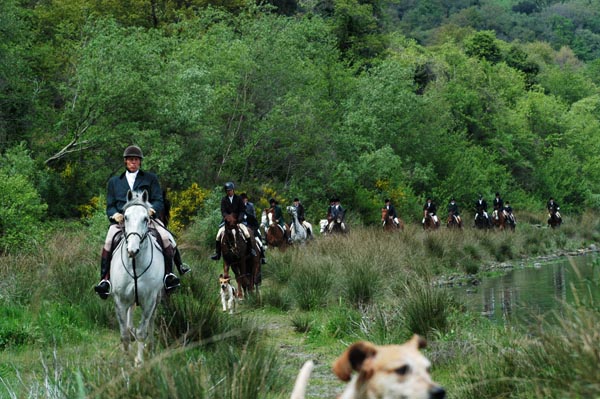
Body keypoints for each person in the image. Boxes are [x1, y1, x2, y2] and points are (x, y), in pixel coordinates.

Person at [94, 145, 188, 299]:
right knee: (109, 241)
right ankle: (105, 281)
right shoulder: (114, 182)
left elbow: (158, 200)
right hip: (123, 222)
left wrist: (152, 210)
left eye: (136, 160)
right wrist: (115, 215)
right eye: (131, 159)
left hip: (146, 219)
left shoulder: (150, 178)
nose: (133, 162)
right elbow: (110, 206)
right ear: (125, 161)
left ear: (140, 162)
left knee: (166, 237)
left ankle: (170, 275)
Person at [211, 182, 257, 261]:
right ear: (226, 191)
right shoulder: (224, 200)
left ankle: (251, 250)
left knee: (246, 233)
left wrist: (239, 219)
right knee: (218, 235)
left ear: (233, 190)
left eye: (230, 190)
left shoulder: (238, 198)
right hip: (228, 221)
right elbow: (223, 211)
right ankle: (218, 254)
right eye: (228, 191)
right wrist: (227, 217)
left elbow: (242, 210)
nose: (229, 192)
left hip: (238, 221)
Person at [240, 193, 266, 264]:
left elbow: (253, 216)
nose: (243, 201)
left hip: (252, 225)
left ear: (246, 199)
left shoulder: (250, 205)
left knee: (258, 238)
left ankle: (262, 255)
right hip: (242, 225)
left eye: (244, 199)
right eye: (242, 200)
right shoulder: (239, 206)